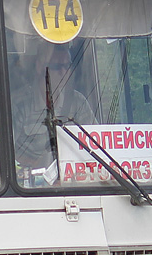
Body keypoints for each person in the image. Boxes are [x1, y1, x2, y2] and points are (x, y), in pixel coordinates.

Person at [13, 42, 97, 178]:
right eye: (57, 66)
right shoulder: (19, 104)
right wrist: (40, 164)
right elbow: (6, 153)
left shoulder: (78, 101)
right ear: (40, 67)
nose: (64, 72)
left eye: (67, 66)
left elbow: (96, 143)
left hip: (74, 179)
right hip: (31, 184)